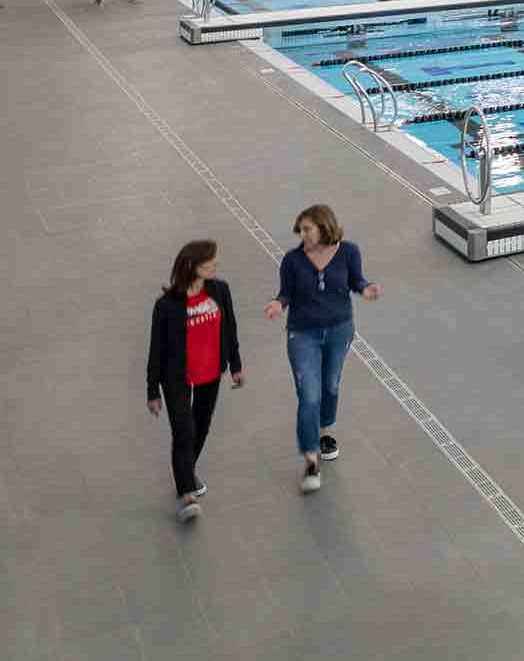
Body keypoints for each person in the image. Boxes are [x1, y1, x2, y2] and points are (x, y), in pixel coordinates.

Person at [263, 204, 380, 493]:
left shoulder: (349, 251)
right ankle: (311, 458)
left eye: (307, 229)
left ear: (324, 227)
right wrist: (279, 303)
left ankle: (326, 429)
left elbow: (356, 280)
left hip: (340, 329)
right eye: (300, 230)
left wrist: (365, 289)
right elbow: (286, 292)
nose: (302, 235)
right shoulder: (292, 260)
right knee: (309, 393)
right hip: (303, 333)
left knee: (331, 384)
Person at [146, 240, 244, 522]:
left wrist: (235, 365)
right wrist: (152, 391)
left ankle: (185, 469)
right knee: (184, 430)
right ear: (192, 266)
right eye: (211, 260)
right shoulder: (166, 306)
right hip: (176, 377)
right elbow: (156, 349)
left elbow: (230, 328)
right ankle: (186, 492)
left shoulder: (220, 290)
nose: (216, 264)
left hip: (210, 372)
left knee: (201, 426)